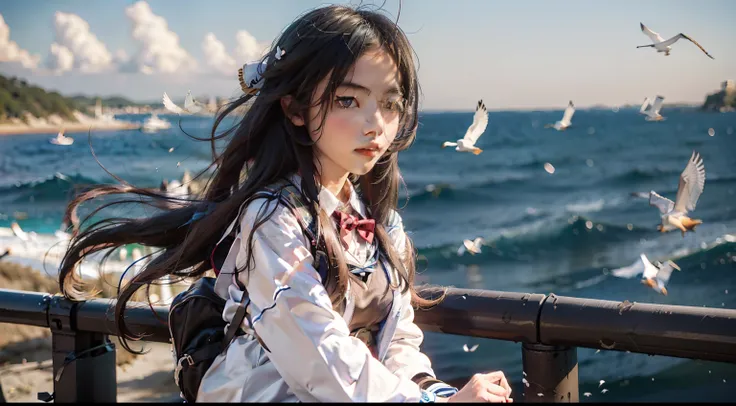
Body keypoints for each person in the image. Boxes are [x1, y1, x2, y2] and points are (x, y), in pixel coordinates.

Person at [57, 4, 511, 403]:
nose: (376, 124)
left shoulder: (381, 222)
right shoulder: (272, 218)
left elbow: (398, 335)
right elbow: (317, 352)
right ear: (295, 109)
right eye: (348, 100)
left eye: (391, 104)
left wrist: (432, 390)